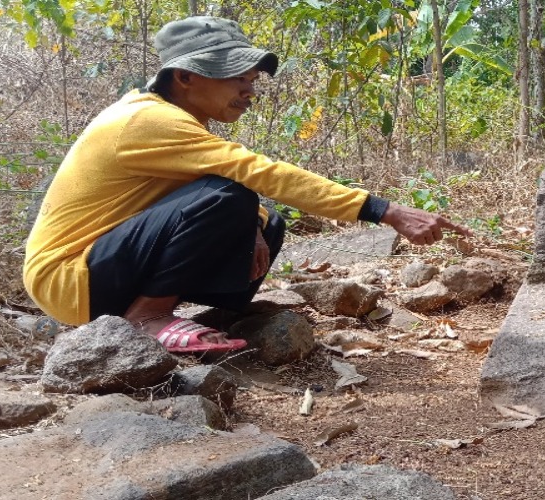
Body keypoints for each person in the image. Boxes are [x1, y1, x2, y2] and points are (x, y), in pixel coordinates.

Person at [23, 16, 470, 353]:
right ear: (185, 77)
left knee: (262, 216)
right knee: (235, 196)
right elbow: (258, 171)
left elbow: (217, 183)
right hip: (70, 280)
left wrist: (253, 222)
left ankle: (190, 314)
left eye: (252, 79)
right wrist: (384, 210)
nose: (248, 90)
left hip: (99, 271)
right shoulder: (147, 121)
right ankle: (146, 319)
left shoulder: (169, 118)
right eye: (236, 77)